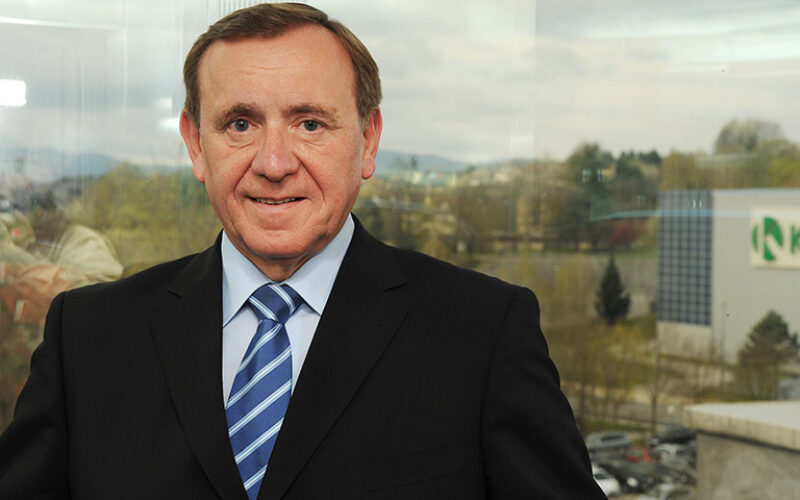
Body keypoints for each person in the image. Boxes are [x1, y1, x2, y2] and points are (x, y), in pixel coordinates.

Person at [0, 3, 604, 499]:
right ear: (196, 144)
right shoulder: (87, 337)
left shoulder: (484, 332)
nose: (273, 163)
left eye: (309, 123)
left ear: (368, 141)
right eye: (240, 124)